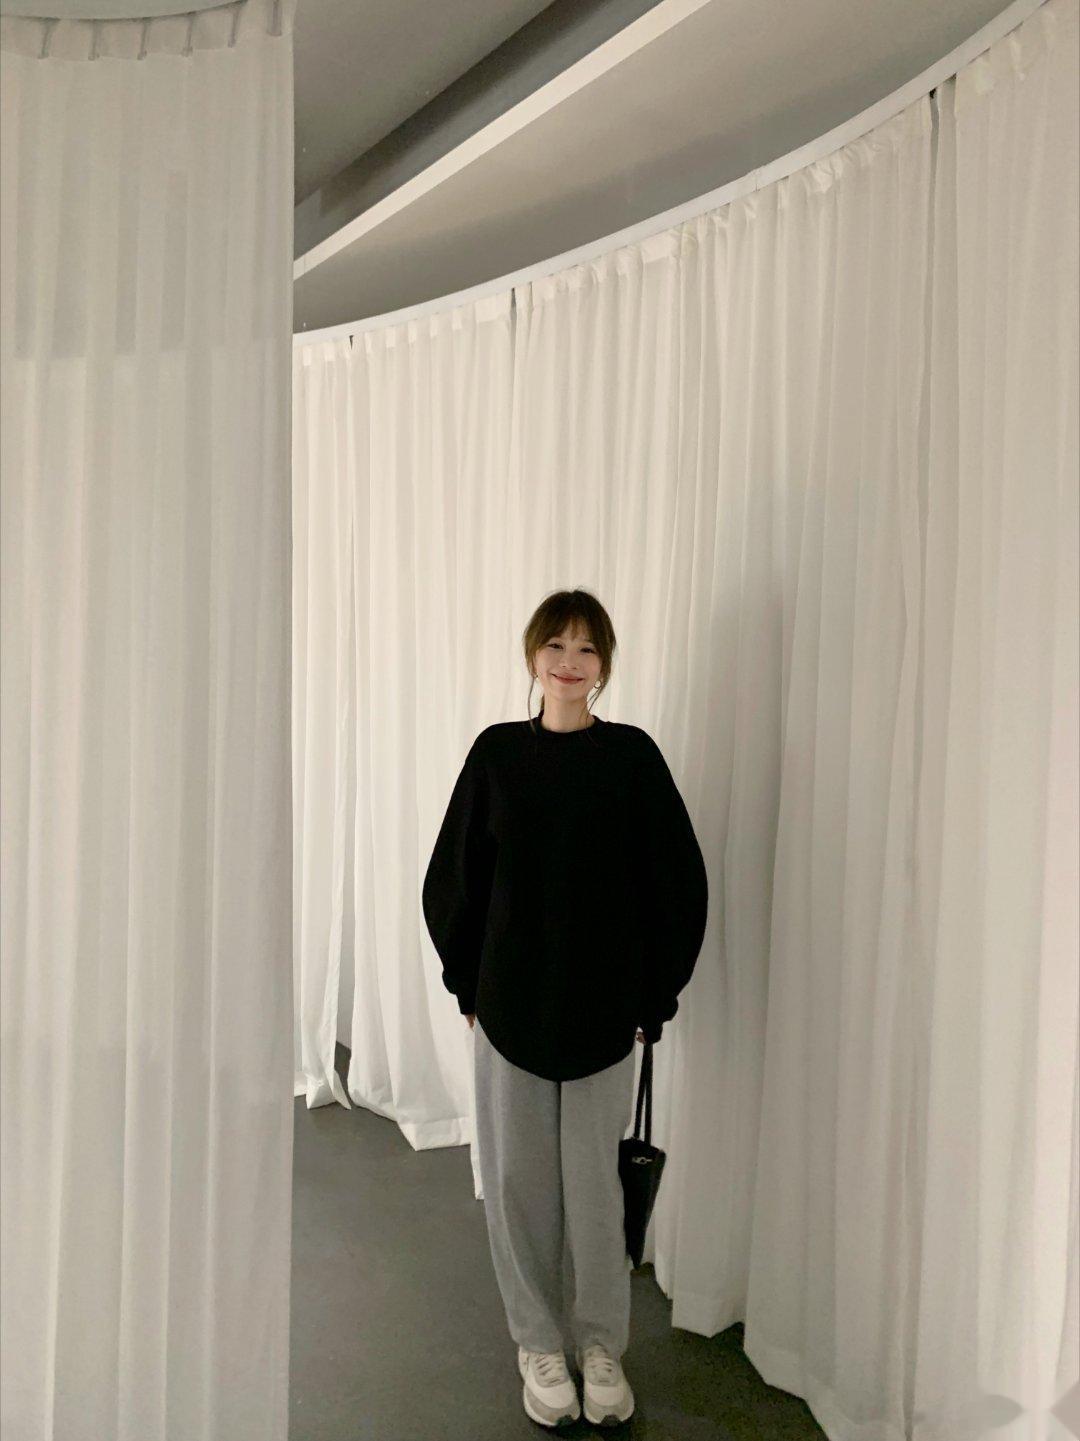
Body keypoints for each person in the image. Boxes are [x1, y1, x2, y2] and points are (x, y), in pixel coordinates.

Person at [421, 587, 708, 1429]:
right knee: (518, 1188)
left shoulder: (632, 759)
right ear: (533, 656)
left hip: (604, 1017)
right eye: (556, 644)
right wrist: (468, 987)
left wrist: (655, 996)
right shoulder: (497, 755)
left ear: (604, 664)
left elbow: (677, 884)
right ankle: (538, 1342)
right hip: (510, 1013)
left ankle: (599, 1344)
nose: (569, 661)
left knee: (593, 1193)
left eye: (586, 648)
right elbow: (452, 879)